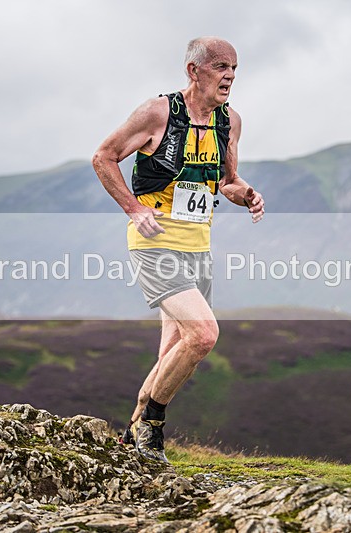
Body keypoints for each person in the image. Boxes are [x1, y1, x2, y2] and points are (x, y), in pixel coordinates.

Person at [92, 36, 264, 462]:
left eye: (235, 69)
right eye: (222, 66)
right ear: (194, 70)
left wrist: (245, 195)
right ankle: (151, 425)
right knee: (204, 334)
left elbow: (227, 180)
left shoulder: (230, 121)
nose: (230, 76)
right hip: (155, 244)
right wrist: (133, 210)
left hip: (197, 247)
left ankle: (131, 438)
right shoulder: (158, 112)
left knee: (173, 350)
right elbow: (103, 157)